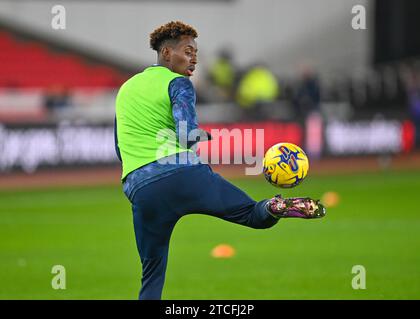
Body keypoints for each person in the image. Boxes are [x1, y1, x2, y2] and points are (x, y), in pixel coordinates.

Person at [114, 21, 326, 300]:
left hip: (141, 187)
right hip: (182, 174)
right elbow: (185, 132)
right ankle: (274, 205)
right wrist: (199, 136)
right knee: (253, 214)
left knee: (152, 273)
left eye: (196, 53)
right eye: (188, 51)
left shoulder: (126, 88)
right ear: (166, 53)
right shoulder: (179, 83)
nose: (194, 59)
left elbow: (119, 147)